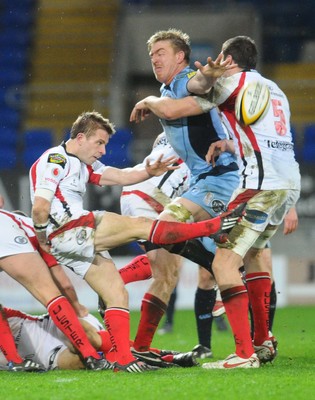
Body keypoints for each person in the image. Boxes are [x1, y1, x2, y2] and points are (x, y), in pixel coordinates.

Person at [29, 111, 244, 372]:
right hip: (70, 228)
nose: (103, 150)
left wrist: (147, 171)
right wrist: (42, 237)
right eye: (99, 143)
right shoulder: (55, 158)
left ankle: (123, 359)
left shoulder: (83, 163)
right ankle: (213, 227)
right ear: (81, 138)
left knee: (117, 293)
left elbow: (120, 176)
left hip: (74, 242)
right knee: (142, 227)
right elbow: (40, 207)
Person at [184, 35, 301, 368]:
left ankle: (244, 352)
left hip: (259, 187)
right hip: (286, 183)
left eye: (220, 57)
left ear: (228, 59)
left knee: (222, 263)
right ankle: (263, 341)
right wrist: (228, 143)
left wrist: (154, 100)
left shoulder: (232, 84)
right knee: (255, 256)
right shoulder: (275, 90)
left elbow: (192, 93)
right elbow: (269, 139)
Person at [129, 29, 240, 359]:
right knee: (221, 264)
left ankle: (250, 341)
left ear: (181, 57)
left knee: (167, 230)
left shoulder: (186, 79)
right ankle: (251, 341)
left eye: (161, 52)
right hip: (205, 181)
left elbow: (197, 87)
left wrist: (149, 99)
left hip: (223, 179)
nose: (155, 58)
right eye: (152, 55)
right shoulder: (169, 87)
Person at [0, 209, 112, 371]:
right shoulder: (34, 233)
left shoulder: (25, 233)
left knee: (87, 343)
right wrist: (77, 307)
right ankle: (133, 353)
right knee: (86, 347)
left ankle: (15, 361)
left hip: (46, 329)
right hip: (53, 331)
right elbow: (62, 283)